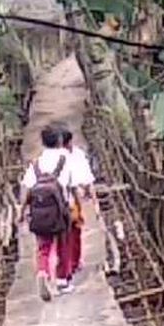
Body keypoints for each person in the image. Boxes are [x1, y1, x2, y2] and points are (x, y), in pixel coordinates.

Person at [20, 124, 75, 300]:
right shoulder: (65, 159)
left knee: (43, 247)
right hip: (61, 210)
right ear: (59, 141)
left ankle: (43, 272)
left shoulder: (36, 164)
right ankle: (62, 280)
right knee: (63, 243)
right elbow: (71, 184)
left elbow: (27, 189)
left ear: (42, 142)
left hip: (40, 211)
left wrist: (21, 212)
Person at [62, 128, 97, 276]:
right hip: (71, 199)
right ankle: (72, 263)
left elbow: (87, 178)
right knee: (72, 232)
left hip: (68, 199)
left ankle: (71, 263)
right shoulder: (69, 156)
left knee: (70, 232)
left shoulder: (77, 155)